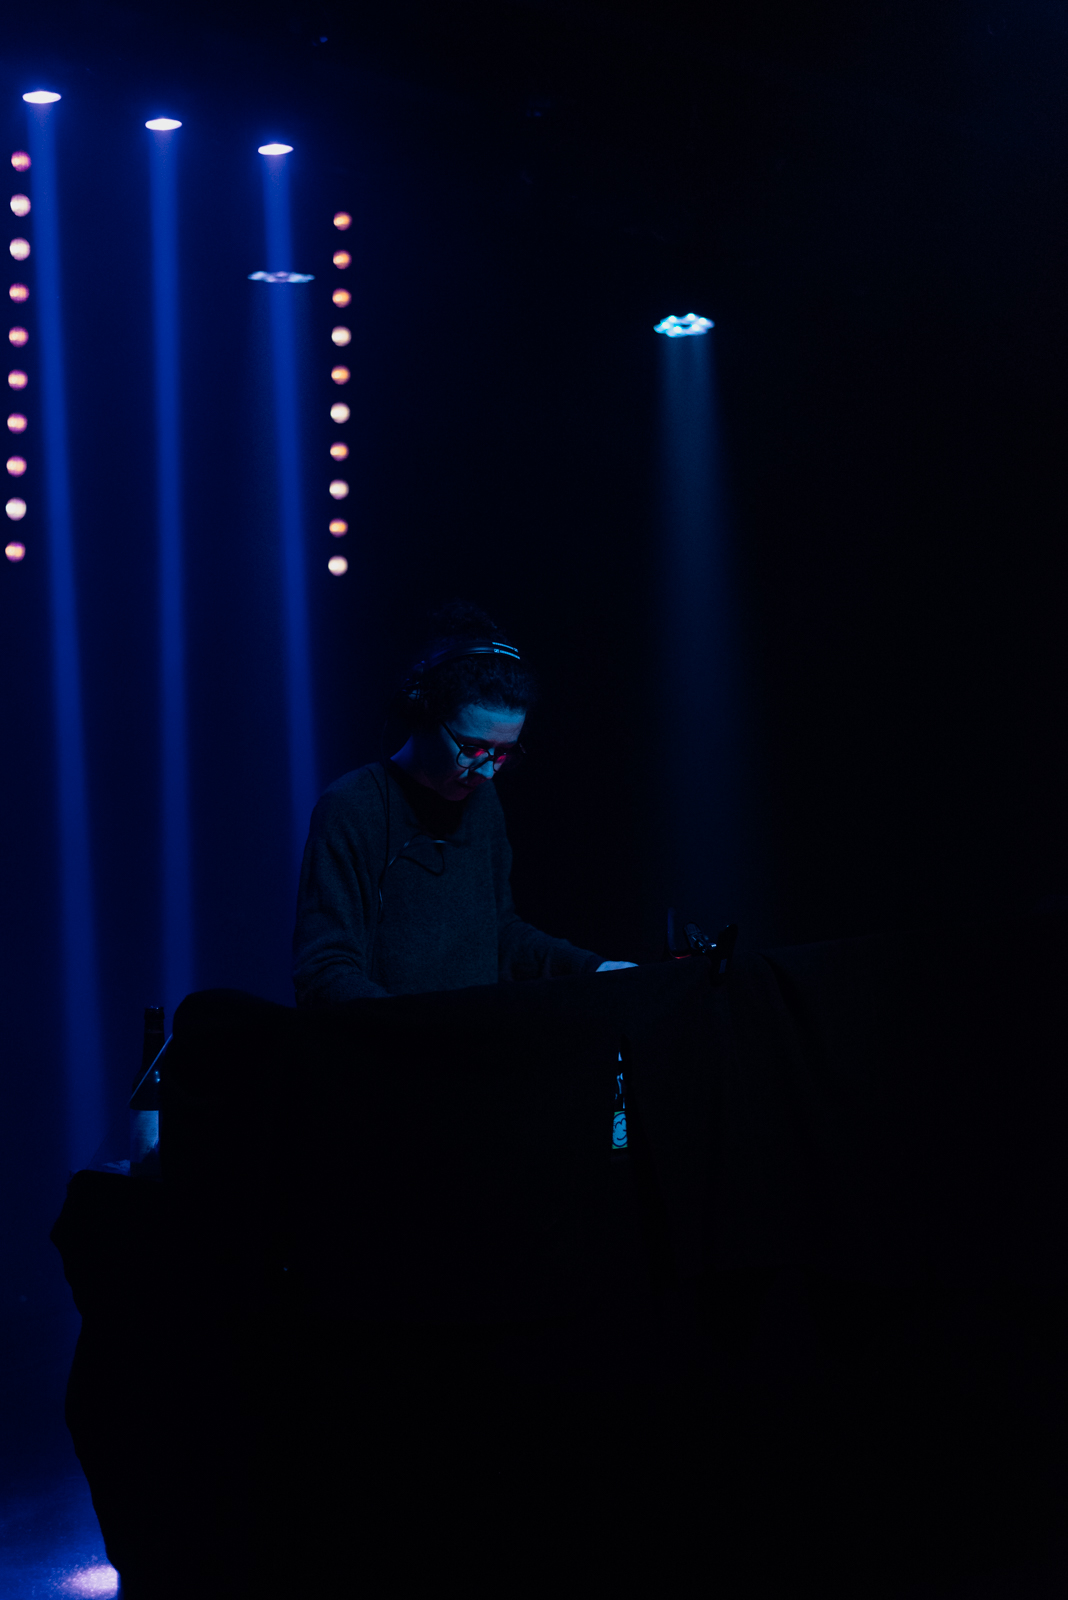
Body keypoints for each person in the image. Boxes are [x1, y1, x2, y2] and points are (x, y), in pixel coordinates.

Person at [292, 602, 636, 1004]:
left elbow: (501, 935)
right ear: (424, 714)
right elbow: (324, 970)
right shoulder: (351, 808)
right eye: (472, 748)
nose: (487, 771)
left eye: (504, 753)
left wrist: (594, 970)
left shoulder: (483, 802)